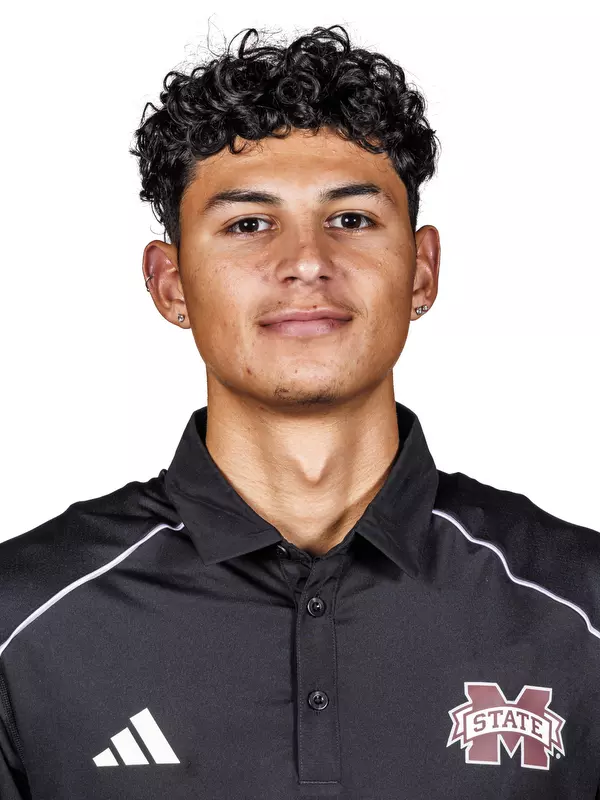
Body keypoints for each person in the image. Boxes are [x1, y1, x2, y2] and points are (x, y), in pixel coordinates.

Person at [1, 23, 598, 800]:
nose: (307, 262)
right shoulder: (23, 624)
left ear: (421, 272)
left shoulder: (580, 609)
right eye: (249, 224)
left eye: (351, 219)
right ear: (171, 284)